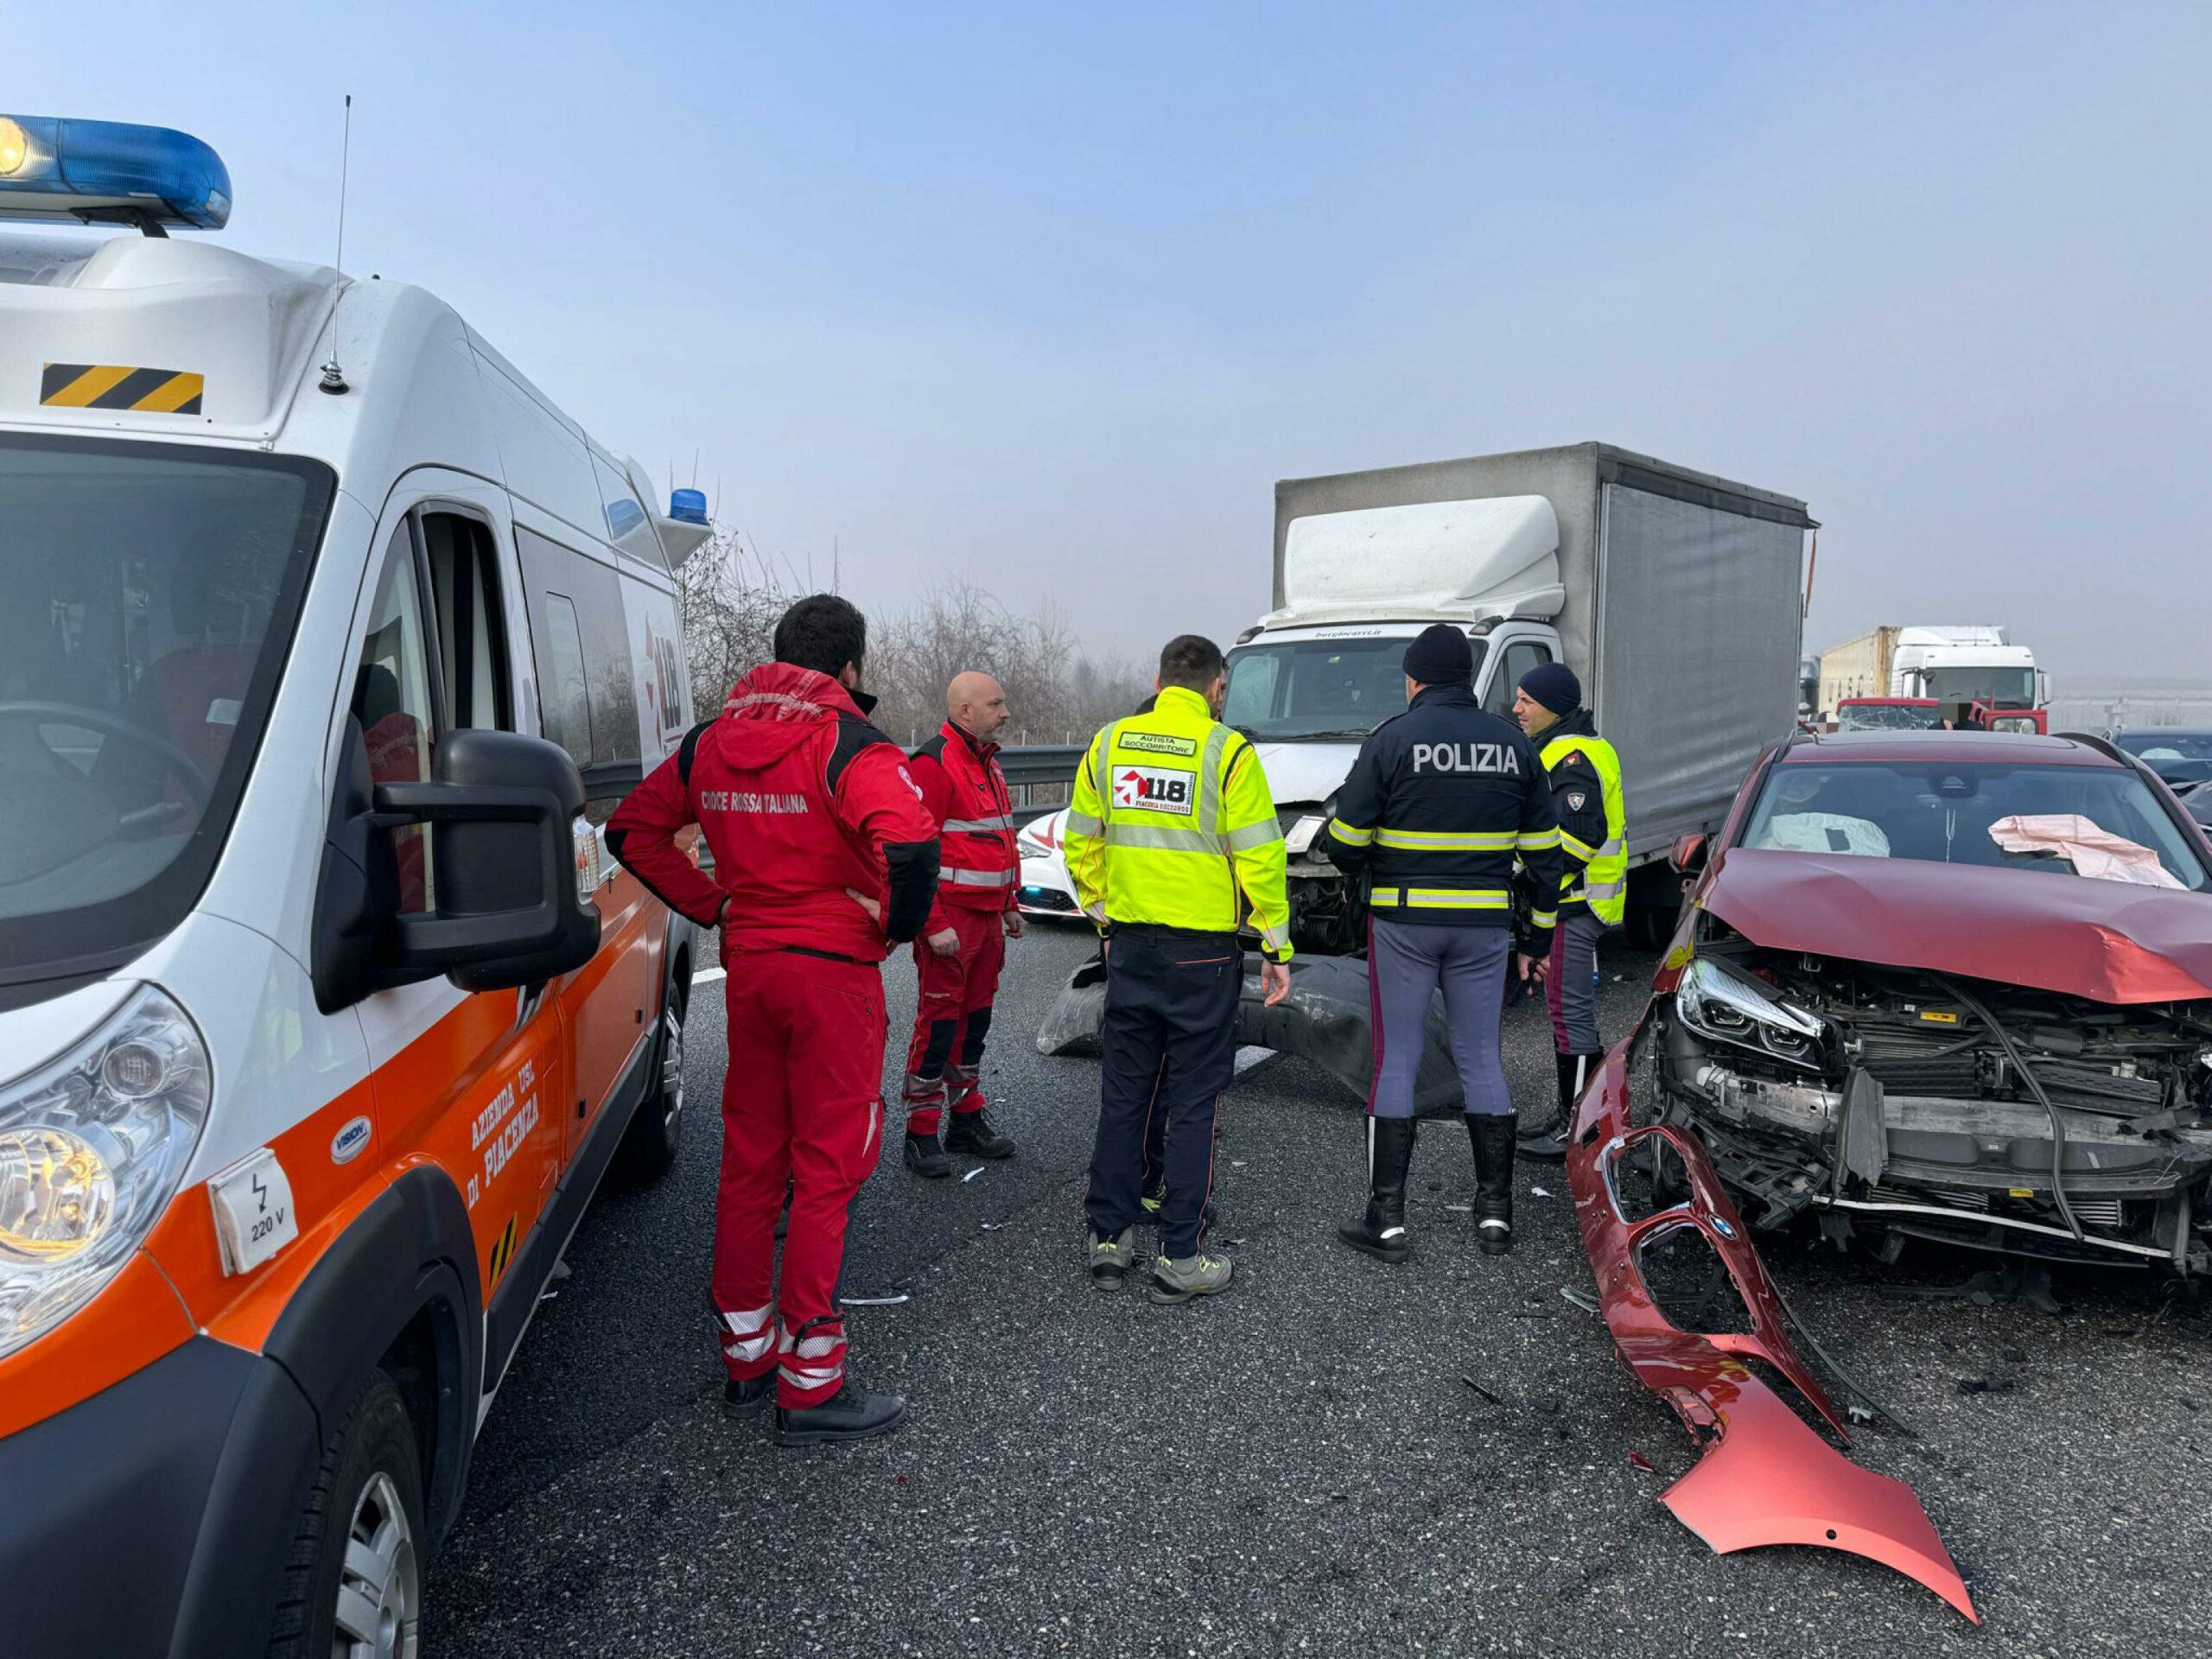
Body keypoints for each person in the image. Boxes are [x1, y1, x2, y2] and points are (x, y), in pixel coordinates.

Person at [605, 594, 939, 1446]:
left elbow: (632, 830)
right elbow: (911, 841)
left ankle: (746, 1360)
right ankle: (811, 1382)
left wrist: (714, 903)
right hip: (832, 980)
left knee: (752, 1164)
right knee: (828, 1171)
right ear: (851, 668)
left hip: (752, 971)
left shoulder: (711, 742)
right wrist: (894, 927)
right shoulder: (849, 742)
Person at [1320, 624, 1564, 1260]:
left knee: (1396, 1059)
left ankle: (1388, 1219)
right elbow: (1547, 857)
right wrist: (1537, 935)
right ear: (1467, 679)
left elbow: (1344, 847)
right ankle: (1495, 1216)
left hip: (1404, 924)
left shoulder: (1391, 739)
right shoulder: (1515, 745)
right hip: (1483, 924)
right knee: (1481, 1056)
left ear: (1414, 678)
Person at [1065, 635, 1292, 1304]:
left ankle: (1108, 1239)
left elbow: (1081, 842)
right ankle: (1181, 1255)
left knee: (1124, 1094)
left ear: (1156, 678)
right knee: (1193, 1102)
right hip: (1205, 954)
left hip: (1131, 944)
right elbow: (1259, 857)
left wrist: (1107, 918)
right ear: (1217, 687)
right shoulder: (1228, 752)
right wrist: (1278, 947)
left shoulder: (1108, 744)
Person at [900, 671, 1023, 1177]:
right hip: (950, 920)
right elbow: (912, 849)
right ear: (965, 710)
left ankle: (965, 1117)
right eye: (996, 703)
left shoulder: (986, 763)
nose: (1006, 712)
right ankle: (920, 1131)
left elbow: (998, 839)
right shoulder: (934, 762)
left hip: (986, 919)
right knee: (939, 1024)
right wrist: (930, 923)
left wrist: (1010, 901)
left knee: (974, 1023)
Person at [1510, 660, 1625, 1160]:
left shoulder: (1572, 755)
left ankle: (1579, 1130)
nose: (1516, 709)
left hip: (1573, 906)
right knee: (1565, 1012)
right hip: (1574, 903)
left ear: (1553, 708)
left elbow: (1578, 838)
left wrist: (1534, 883)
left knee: (1570, 1014)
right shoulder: (1569, 747)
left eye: (1526, 701)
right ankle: (1576, 1116)